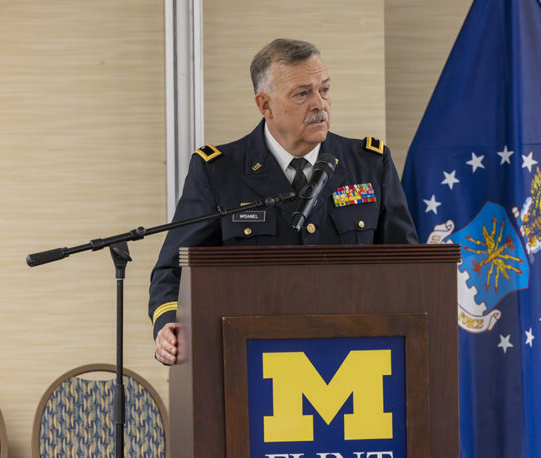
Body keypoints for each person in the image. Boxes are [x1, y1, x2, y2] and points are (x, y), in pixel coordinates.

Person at [149, 38, 418, 365]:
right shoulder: (219, 172)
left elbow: (408, 267)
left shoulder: (370, 163)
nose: (320, 104)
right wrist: (168, 325)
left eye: (325, 89)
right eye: (302, 94)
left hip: (358, 357)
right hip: (252, 360)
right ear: (265, 105)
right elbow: (172, 269)